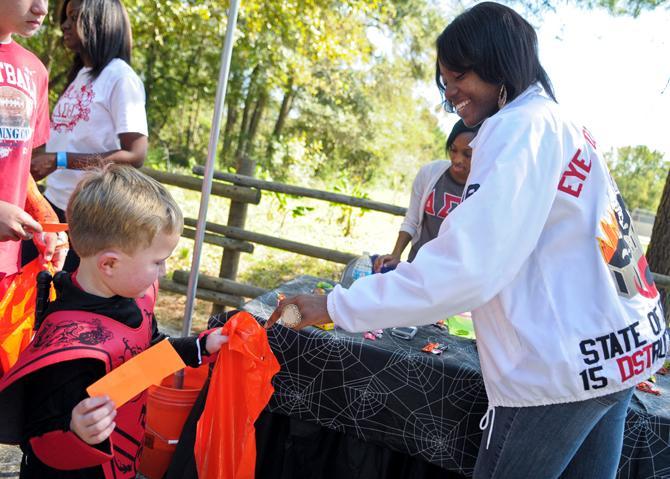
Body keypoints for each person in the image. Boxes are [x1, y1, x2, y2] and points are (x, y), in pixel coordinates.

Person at [268, 3, 669, 478]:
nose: (450, 91)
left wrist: (334, 305)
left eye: (459, 75)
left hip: (560, 369)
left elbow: (466, 267)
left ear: (499, 65)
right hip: (619, 350)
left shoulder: (517, 128)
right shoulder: (556, 123)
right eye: (445, 79)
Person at [0, 165, 228, 478]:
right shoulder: (69, 341)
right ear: (109, 263)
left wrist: (199, 347)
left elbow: (140, 361)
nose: (162, 272)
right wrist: (75, 428)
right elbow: (37, 433)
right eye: (157, 262)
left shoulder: (132, 297)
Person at [24, 0, 148, 272]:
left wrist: (60, 160)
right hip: (54, 205)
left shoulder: (120, 77)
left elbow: (135, 154)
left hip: (90, 218)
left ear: (100, 22)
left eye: (74, 17)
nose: (65, 25)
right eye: (65, 18)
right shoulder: (82, 75)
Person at [0, 0, 66, 294]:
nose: (42, 8)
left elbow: (17, 163)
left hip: (7, 264)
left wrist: (44, 216)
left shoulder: (34, 70)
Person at [373, 120, 479, 273]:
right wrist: (396, 254)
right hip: (416, 265)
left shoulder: (483, 186)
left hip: (452, 274)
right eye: (453, 150)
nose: (457, 159)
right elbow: (412, 219)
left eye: (467, 154)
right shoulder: (430, 173)